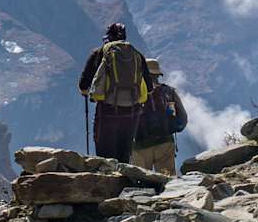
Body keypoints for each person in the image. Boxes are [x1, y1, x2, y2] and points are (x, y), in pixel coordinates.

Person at [78, 23, 153, 161]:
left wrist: (87, 92)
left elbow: (83, 84)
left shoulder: (100, 53)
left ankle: (108, 174)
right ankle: (124, 174)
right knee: (124, 153)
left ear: (108, 38)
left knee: (105, 155)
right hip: (132, 112)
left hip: (107, 111)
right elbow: (149, 88)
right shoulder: (137, 54)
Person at [133, 59, 187, 176]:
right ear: (158, 74)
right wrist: (173, 127)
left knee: (142, 180)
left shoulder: (134, 93)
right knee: (168, 179)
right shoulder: (169, 91)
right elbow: (183, 119)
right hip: (165, 143)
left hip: (140, 145)